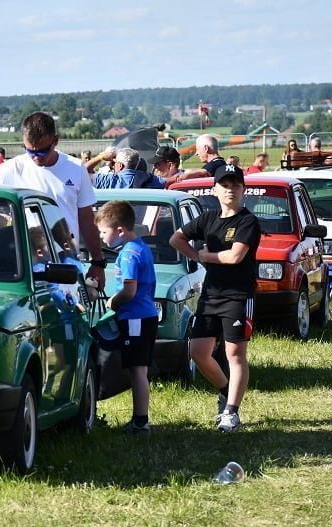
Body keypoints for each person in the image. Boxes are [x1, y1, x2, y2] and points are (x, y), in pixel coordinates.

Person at [169, 164, 261, 432]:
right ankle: (225, 391)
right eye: (225, 185)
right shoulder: (208, 219)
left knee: (235, 353)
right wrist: (197, 256)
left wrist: (205, 256)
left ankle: (232, 412)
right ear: (215, 190)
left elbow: (234, 257)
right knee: (198, 352)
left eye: (236, 185)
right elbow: (176, 239)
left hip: (238, 295)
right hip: (211, 294)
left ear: (243, 190)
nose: (230, 190)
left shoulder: (247, 221)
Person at [0, 111, 107, 288]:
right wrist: (6, 225)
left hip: (66, 268)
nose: (36, 156)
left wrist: (98, 262)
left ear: (56, 140)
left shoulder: (76, 168)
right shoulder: (11, 169)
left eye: (43, 150)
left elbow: (86, 218)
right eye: (30, 150)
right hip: (25, 271)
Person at [95, 200, 158, 433]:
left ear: (120, 230)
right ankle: (139, 418)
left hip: (136, 319)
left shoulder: (129, 254)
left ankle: (140, 421)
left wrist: (113, 301)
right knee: (138, 369)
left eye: (103, 232)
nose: (101, 237)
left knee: (137, 369)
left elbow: (129, 291)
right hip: (144, 316)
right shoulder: (141, 247)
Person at [88, 147, 164, 189]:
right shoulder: (149, 179)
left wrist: (100, 157)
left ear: (120, 166)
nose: (114, 165)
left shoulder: (109, 181)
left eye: (115, 163)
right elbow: (168, 180)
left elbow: (83, 173)